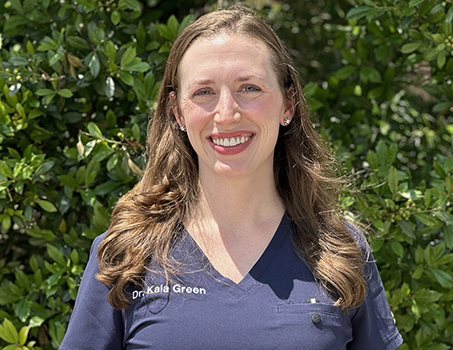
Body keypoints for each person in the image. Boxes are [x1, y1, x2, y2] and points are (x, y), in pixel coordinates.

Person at [60, 6, 402, 350]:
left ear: (288, 104)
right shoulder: (129, 253)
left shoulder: (339, 251)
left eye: (249, 88)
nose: (226, 114)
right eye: (203, 92)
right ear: (177, 111)